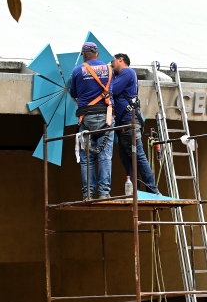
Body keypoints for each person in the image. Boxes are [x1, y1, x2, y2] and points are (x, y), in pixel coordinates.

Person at [68, 42, 114, 199]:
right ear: (97, 53)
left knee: (87, 159)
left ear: (84, 55)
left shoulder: (77, 71)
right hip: (106, 117)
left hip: (86, 117)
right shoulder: (109, 69)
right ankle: (104, 193)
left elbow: (73, 92)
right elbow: (111, 90)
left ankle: (88, 194)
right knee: (105, 156)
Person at [110, 53, 160, 194]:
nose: (112, 64)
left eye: (113, 61)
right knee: (127, 159)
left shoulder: (127, 72)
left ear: (121, 60)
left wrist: (109, 74)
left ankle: (152, 189)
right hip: (123, 125)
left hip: (128, 123)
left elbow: (113, 89)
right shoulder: (123, 75)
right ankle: (135, 191)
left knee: (138, 156)